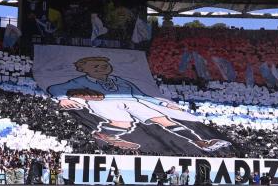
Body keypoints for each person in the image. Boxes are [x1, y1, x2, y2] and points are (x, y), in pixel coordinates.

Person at [47, 56, 228, 152]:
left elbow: (141, 95)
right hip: (104, 101)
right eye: (96, 67)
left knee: (163, 119)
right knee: (124, 123)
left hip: (131, 100)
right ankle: (107, 135)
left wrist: (164, 103)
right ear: (82, 69)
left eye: (104, 66)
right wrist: (64, 98)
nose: (102, 68)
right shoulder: (79, 82)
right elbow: (56, 87)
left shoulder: (121, 81)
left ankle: (200, 141)